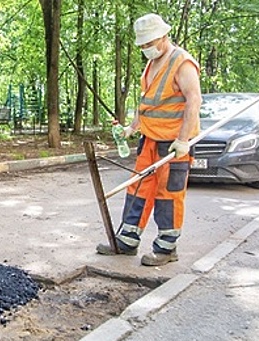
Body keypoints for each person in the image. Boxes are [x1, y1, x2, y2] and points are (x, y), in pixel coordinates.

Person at [96, 13, 202, 266]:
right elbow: (147, 103)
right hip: (150, 138)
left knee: (168, 193)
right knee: (138, 187)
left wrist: (183, 139)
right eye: (142, 45)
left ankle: (166, 249)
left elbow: (194, 100)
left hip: (173, 143)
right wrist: (131, 128)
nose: (145, 48)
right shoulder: (152, 63)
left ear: (163, 36)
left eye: (148, 43)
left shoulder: (182, 62)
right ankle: (128, 241)